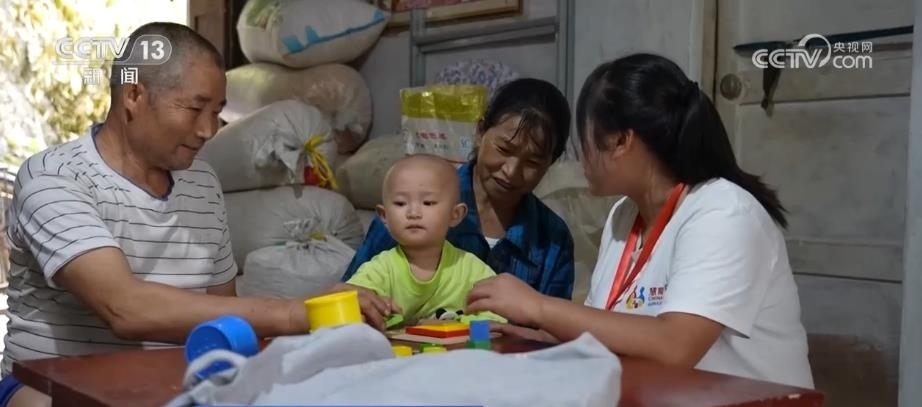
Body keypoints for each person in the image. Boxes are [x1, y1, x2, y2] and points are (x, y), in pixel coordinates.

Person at [0, 23, 314, 407]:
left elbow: (223, 314)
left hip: (169, 381)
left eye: (216, 112)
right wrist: (295, 313)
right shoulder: (53, 177)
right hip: (46, 385)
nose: (209, 130)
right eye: (195, 108)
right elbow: (124, 308)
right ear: (134, 95)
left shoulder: (202, 182)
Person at [465, 53, 814, 389]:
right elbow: (609, 331)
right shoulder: (624, 216)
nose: (580, 156)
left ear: (620, 141)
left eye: (584, 139)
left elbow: (674, 345)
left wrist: (538, 307)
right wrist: (539, 336)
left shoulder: (724, 212)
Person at [342, 78, 576, 303]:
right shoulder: (411, 206)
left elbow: (551, 322)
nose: (511, 171)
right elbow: (351, 297)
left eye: (533, 162)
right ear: (480, 132)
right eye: (504, 149)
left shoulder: (552, 239)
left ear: (550, 163)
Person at [338, 155, 504, 324]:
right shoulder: (379, 271)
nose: (413, 213)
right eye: (400, 203)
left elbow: (498, 316)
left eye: (428, 203)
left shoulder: (472, 270)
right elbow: (349, 310)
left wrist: (457, 326)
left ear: (455, 215)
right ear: (384, 216)